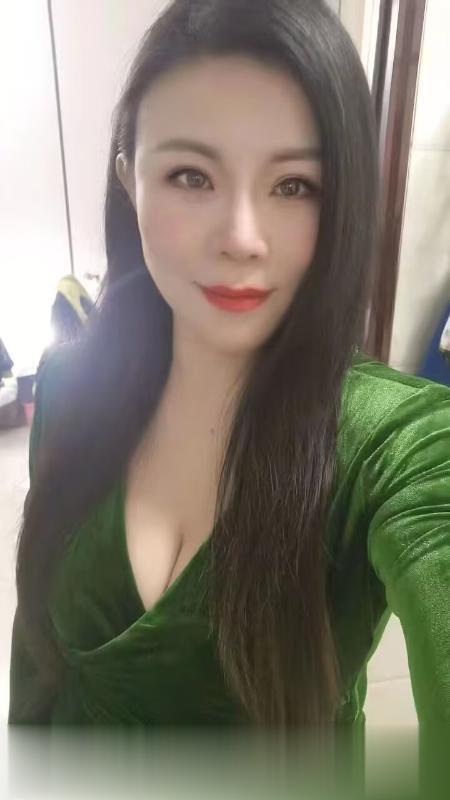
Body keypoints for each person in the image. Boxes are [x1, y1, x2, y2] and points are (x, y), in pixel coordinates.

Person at [8, 0, 450, 793]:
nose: (243, 237)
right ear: (128, 179)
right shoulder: (72, 384)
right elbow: (37, 665)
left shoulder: (396, 443)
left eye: (294, 185)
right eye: (191, 176)